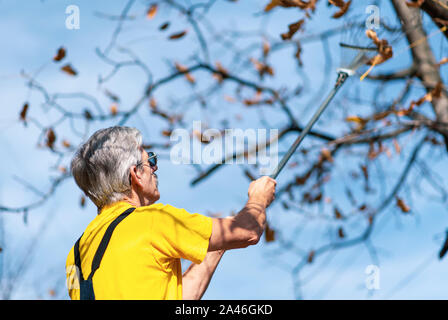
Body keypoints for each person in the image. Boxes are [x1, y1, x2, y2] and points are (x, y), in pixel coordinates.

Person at [65, 126, 276, 300]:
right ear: (136, 174)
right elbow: (248, 231)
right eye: (151, 161)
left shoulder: (74, 258)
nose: (155, 169)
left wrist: (216, 245)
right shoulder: (153, 221)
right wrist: (259, 198)